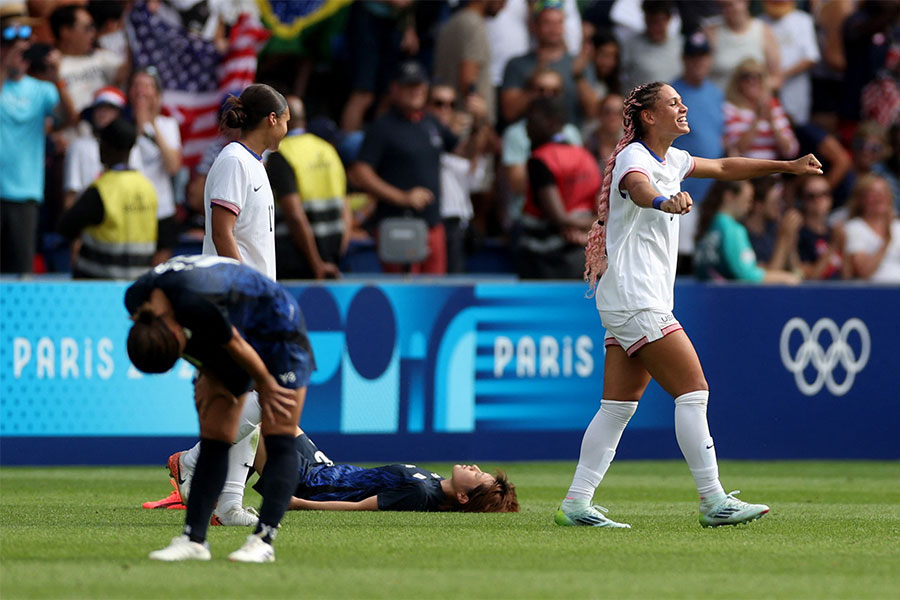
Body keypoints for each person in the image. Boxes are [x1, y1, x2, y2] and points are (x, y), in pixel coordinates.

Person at [555, 80, 822, 529]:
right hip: (637, 298)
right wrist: (665, 201)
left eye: (682, 101)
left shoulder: (674, 159)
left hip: (629, 299)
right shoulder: (634, 157)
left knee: (618, 407)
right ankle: (713, 500)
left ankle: (576, 503)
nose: (683, 108)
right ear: (648, 116)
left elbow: (725, 166)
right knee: (693, 390)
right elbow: (639, 188)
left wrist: (787, 166)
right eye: (673, 103)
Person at [126, 255, 314, 563]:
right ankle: (194, 540)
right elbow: (203, 345)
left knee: (279, 431)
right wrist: (203, 374)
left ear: (175, 328)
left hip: (275, 325)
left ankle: (263, 541)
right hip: (229, 327)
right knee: (215, 435)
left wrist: (267, 385)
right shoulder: (137, 300)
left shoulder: (194, 302)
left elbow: (237, 345)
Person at [349, 60, 459, 274]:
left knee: (436, 288)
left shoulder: (431, 122)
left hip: (433, 223)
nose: (416, 91)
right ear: (395, 89)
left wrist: (479, 126)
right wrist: (402, 197)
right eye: (409, 85)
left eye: (419, 85)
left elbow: (461, 150)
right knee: (404, 286)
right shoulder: (382, 127)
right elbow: (361, 172)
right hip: (398, 222)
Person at [0, 9, 76, 274]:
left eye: (24, 46)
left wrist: (57, 77)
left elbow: (70, 118)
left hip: (25, 193)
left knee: (21, 272)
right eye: (10, 44)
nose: (19, 52)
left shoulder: (40, 89)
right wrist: (4, 64)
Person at [57, 117, 157, 279]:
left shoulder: (102, 189)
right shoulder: (148, 188)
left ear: (106, 147)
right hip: (137, 281)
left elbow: (65, 227)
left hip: (99, 283)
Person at [265, 96, 351, 280]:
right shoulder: (328, 149)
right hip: (331, 259)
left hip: (296, 261)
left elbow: (295, 215)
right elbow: (346, 209)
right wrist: (335, 257)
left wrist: (316, 263)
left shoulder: (281, 154)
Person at [518, 96, 600, 279]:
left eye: (531, 121)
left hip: (545, 258)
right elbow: (600, 209)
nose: (527, 128)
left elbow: (559, 217)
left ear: (551, 121)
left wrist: (572, 224)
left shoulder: (540, 159)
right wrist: (595, 224)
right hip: (582, 254)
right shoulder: (585, 156)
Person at [500, 0, 597, 126]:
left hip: (569, 135)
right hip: (528, 135)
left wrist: (579, 76)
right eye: (547, 23)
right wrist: (537, 83)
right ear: (534, 26)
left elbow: (593, 113)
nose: (553, 29)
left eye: (558, 23)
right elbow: (509, 113)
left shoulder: (579, 63)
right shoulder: (517, 64)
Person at [692, 180, 800, 283]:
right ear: (729, 196)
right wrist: (786, 278)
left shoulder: (711, 225)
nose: (749, 206)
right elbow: (747, 275)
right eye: (748, 200)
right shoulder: (733, 229)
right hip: (729, 294)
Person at [127, 67, 182, 265]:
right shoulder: (122, 124)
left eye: (147, 86)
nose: (141, 91)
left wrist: (151, 124)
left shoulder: (168, 125)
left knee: (157, 269)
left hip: (162, 209)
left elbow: (173, 166)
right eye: (137, 85)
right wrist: (139, 125)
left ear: (157, 95)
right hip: (130, 209)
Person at [723, 59, 799, 161]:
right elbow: (737, 150)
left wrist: (772, 123)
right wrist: (756, 120)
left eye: (758, 76)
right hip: (745, 168)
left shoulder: (773, 106)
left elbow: (790, 151)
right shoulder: (730, 109)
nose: (752, 81)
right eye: (746, 77)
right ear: (738, 82)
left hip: (771, 167)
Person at [760, 0, 820, 126]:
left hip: (795, 90)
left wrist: (781, 75)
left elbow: (811, 57)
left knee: (797, 126)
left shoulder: (803, 20)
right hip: (765, 88)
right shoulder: (759, 22)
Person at [707, 0, 781, 91]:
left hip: (753, 99)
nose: (727, 10)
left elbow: (776, 78)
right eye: (722, 6)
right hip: (719, 97)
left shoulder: (764, 31)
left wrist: (753, 89)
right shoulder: (711, 33)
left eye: (731, 5)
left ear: (745, 2)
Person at [842, 174, 900, 283]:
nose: (880, 198)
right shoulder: (854, 228)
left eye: (883, 192)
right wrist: (887, 240)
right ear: (861, 199)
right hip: (873, 290)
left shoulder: (898, 227)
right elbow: (864, 271)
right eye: (873, 194)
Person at [619, 0, 683, 93]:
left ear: (669, 19)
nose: (654, 28)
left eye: (658, 22)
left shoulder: (681, 45)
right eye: (650, 22)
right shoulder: (629, 45)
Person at [795, 175, 844, 280]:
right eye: (811, 196)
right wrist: (833, 245)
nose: (818, 200)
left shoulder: (834, 232)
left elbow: (847, 276)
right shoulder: (799, 234)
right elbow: (811, 278)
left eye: (824, 194)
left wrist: (843, 246)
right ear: (802, 199)